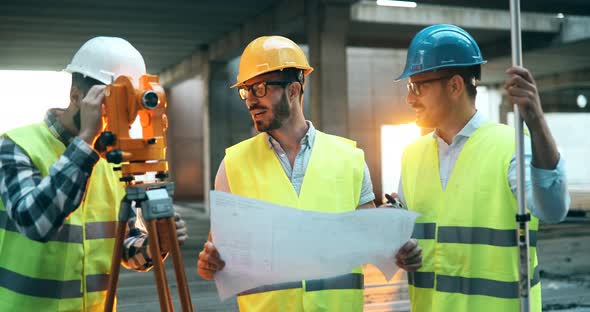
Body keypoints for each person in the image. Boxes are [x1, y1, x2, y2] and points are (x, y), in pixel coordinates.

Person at [197, 35, 422, 311]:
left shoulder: (349, 159)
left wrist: (397, 248)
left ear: (293, 90)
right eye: (246, 90)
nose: (250, 101)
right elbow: (215, 254)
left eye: (260, 88)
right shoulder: (233, 165)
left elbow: (372, 241)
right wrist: (210, 263)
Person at [0, 36, 187, 311]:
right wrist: (87, 139)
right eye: (110, 104)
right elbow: (35, 222)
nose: (119, 119)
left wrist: (155, 244)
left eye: (128, 107)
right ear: (77, 96)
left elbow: (125, 249)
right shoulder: (16, 146)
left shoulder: (111, 160)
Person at [391, 24, 570, 311]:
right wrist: (402, 251)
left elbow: (553, 209)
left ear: (454, 86)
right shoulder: (412, 156)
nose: (410, 98)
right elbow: (414, 243)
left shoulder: (509, 146)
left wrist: (536, 122)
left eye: (417, 86)